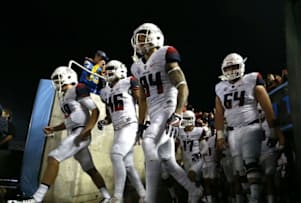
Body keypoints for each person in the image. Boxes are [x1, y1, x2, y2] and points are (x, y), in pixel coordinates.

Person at [130, 22, 203, 203]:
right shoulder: (137, 67)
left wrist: (178, 112)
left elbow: (182, 86)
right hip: (154, 114)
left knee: (149, 143)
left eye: (142, 36)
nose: (138, 41)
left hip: (168, 108)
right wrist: (140, 123)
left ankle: (150, 199)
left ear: (155, 36)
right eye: (137, 38)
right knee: (167, 160)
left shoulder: (166, 53)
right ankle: (194, 191)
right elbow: (143, 99)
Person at [28, 66, 111, 203]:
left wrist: (87, 130)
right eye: (55, 80)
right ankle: (107, 197)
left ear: (68, 77)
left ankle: (37, 198)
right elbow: (69, 121)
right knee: (89, 168)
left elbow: (95, 111)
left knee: (53, 157)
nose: (57, 82)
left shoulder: (78, 88)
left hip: (80, 132)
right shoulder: (63, 98)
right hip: (74, 131)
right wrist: (54, 128)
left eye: (59, 79)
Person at [215, 52, 284, 203]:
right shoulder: (220, 87)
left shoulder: (251, 79)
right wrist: (220, 136)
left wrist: (272, 128)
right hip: (233, 132)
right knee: (240, 171)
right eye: (229, 67)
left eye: (234, 66)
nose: (232, 70)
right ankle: (254, 195)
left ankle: (255, 199)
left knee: (250, 162)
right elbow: (219, 114)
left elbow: (267, 106)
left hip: (251, 127)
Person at [97, 60, 146, 203]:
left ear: (121, 69)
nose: (109, 71)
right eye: (108, 69)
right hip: (118, 129)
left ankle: (117, 197)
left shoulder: (129, 81)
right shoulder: (105, 91)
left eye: (113, 68)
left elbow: (142, 101)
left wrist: (142, 123)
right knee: (128, 165)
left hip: (130, 125)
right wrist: (103, 122)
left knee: (116, 155)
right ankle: (143, 194)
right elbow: (109, 116)